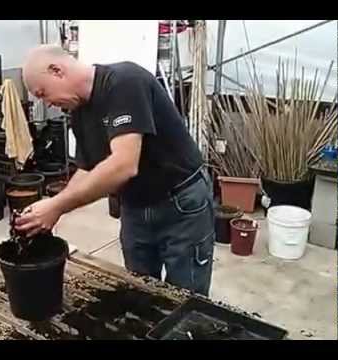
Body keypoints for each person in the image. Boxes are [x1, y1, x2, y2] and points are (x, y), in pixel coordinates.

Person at [15, 45, 215, 296]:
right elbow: (87, 170)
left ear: (57, 70)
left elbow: (124, 165)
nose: (48, 104)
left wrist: (58, 206)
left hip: (181, 205)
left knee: (186, 298)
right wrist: (52, 206)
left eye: (43, 93)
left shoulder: (125, 83)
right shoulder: (78, 114)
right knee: (141, 292)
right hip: (134, 209)